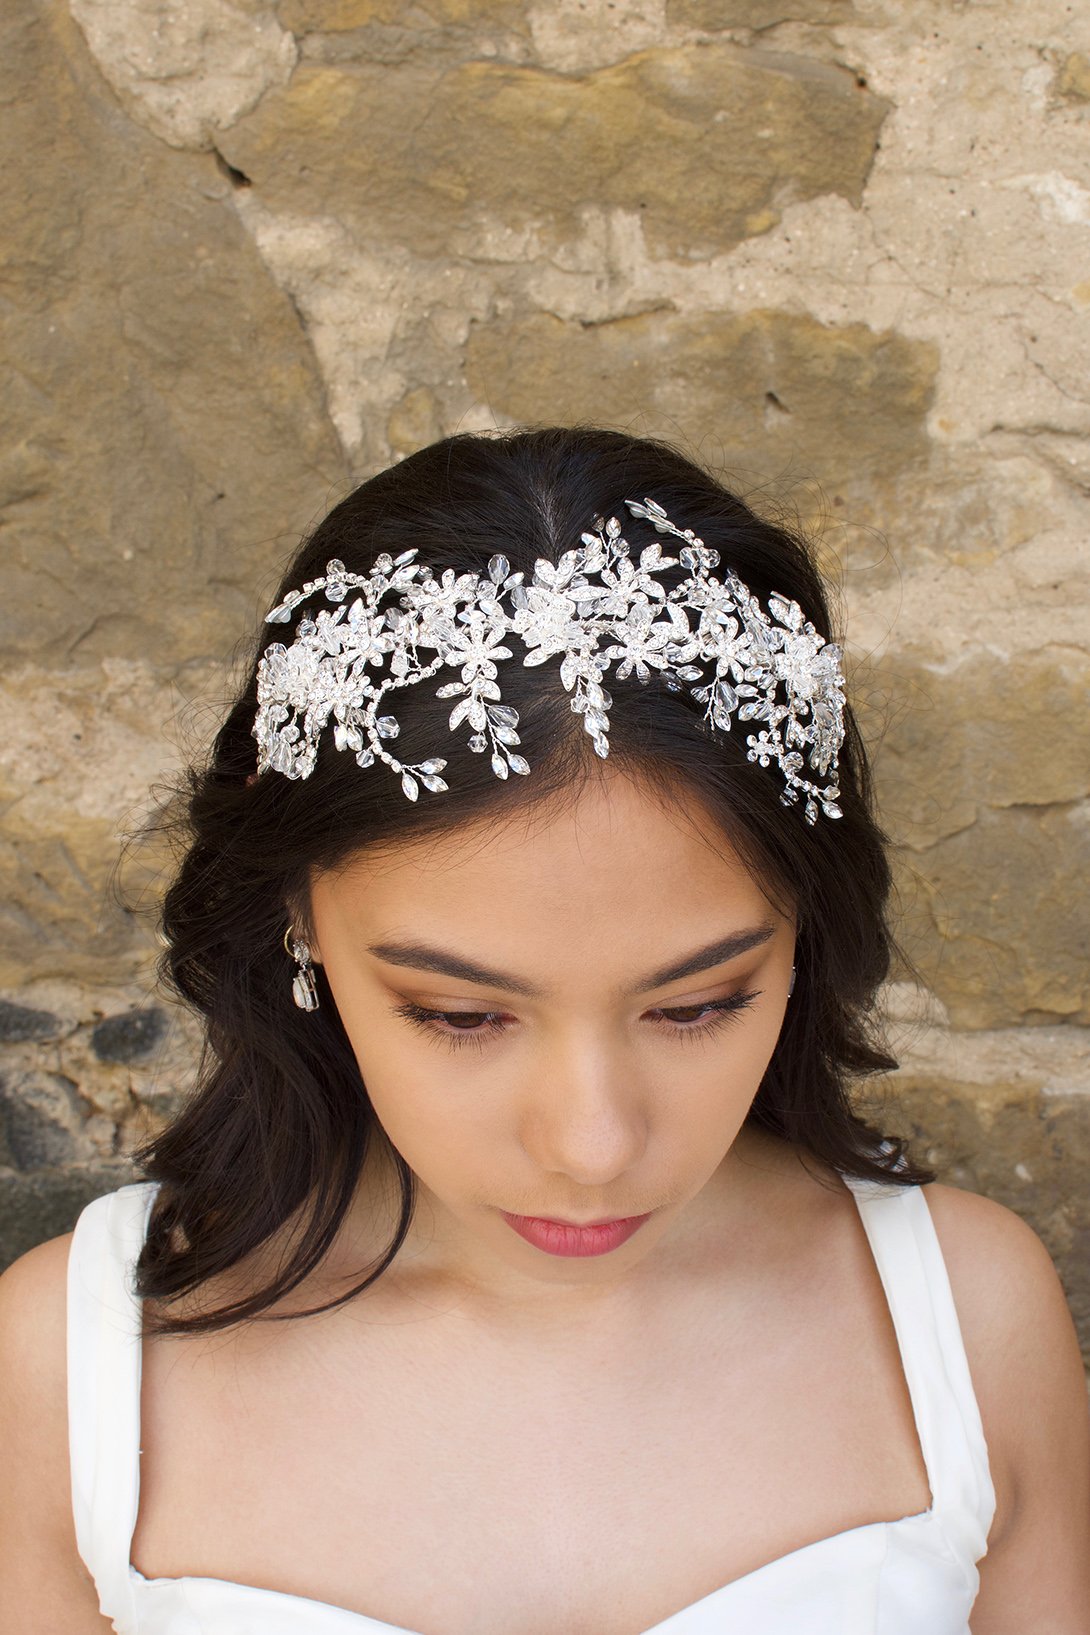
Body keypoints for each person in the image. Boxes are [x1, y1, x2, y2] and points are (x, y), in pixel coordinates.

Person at [0, 425, 1087, 1634]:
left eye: (696, 1005)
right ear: (298, 911)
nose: (591, 1143)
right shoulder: (77, 1366)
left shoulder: (965, 1322)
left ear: (802, 937)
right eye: (461, 1016)